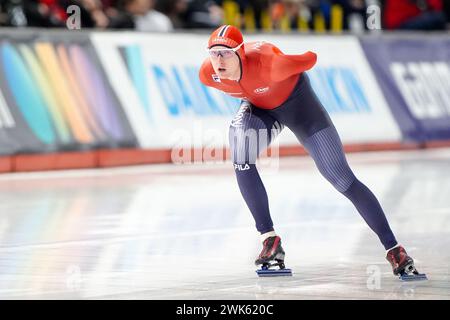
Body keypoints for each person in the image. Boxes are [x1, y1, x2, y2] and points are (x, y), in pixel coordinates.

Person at [198, 25, 425, 279]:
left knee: (341, 178)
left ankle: (394, 249)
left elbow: (310, 58)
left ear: (240, 53)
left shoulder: (271, 64)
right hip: (260, 108)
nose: (219, 60)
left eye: (226, 54)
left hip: (300, 107)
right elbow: (245, 87)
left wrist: (300, 56)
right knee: (241, 153)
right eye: (214, 53)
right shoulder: (208, 74)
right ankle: (269, 239)